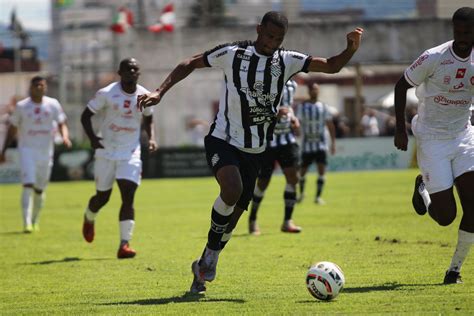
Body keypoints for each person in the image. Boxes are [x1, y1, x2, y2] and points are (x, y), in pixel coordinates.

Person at [137, 11, 363, 294]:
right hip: (223, 138)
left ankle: (206, 261)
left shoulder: (287, 60)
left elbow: (330, 66)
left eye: (278, 38)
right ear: (258, 30)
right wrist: (159, 91)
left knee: (233, 218)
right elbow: (190, 62)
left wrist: (350, 49)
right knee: (231, 189)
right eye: (269, 36)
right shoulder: (233, 54)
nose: (272, 42)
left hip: (255, 149)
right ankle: (209, 259)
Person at [393, 7, 474, 284]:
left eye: (468, 32)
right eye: (458, 31)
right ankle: (423, 189)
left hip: (464, 136)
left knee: (473, 208)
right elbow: (400, 85)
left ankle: (454, 271)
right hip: (431, 138)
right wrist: (400, 129)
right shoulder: (435, 57)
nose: (462, 37)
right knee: (446, 217)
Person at [80, 58, 157, 259]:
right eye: (128, 69)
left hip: (130, 152)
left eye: (135, 69)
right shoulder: (107, 93)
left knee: (128, 195)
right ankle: (89, 216)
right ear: (120, 72)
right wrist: (93, 139)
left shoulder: (144, 95)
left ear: (138, 73)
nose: (132, 71)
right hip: (106, 150)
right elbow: (85, 116)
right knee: (102, 198)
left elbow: (149, 119)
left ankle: (124, 244)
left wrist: (152, 139)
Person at [0, 76, 72, 232]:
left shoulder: (52, 104)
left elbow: (61, 123)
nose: (40, 88)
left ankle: (35, 219)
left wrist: (65, 136)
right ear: (30, 88)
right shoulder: (22, 106)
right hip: (27, 150)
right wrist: (3, 150)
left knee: (39, 189)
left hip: (46, 152)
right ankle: (26, 223)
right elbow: (12, 129)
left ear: (45, 87)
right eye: (36, 85)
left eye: (42, 85)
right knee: (27, 184)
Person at [248, 79, 302, 235]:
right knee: (263, 182)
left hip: (287, 139)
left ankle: (287, 221)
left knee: (293, 178)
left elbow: (288, 106)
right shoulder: (263, 82)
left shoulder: (293, 85)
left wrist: (294, 118)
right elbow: (254, 109)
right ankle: (252, 218)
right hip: (267, 142)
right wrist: (274, 114)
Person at [296, 83, 336, 204]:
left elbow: (330, 124)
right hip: (307, 144)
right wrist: (297, 134)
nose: (315, 91)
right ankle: (301, 194)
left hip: (321, 144)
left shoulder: (323, 106)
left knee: (321, 170)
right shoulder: (302, 107)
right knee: (302, 172)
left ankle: (318, 197)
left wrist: (333, 143)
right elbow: (297, 123)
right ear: (309, 91)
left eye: (316, 89)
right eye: (313, 89)